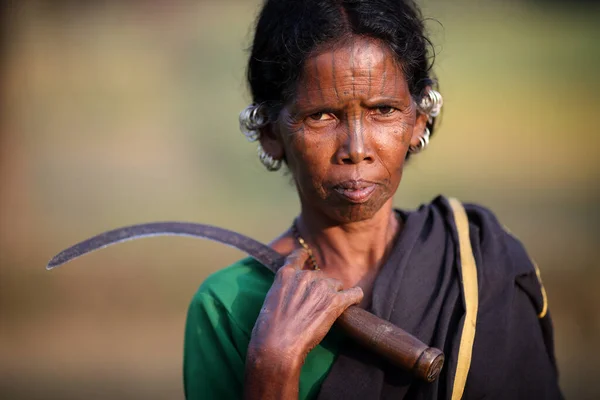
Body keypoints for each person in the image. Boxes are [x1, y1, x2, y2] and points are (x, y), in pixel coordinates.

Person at [183, 0, 563, 399]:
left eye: (383, 110)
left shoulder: (479, 265)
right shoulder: (230, 305)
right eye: (321, 116)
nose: (357, 148)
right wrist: (273, 364)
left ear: (418, 121)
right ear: (270, 133)